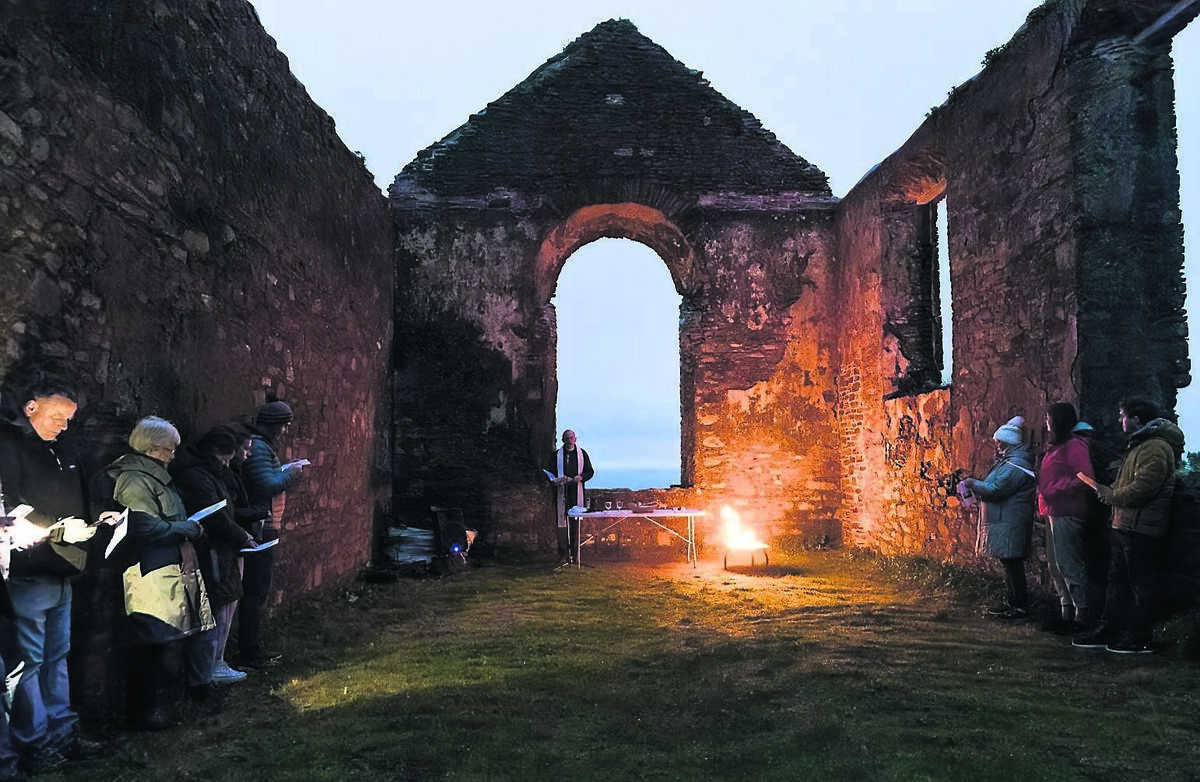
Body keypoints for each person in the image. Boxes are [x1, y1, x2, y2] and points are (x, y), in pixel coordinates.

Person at [0, 376, 107, 773]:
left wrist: (97, 515)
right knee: (27, 663)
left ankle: (62, 733)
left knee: (56, 657)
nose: (63, 425)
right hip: (29, 570)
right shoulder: (10, 446)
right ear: (31, 407)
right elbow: (11, 507)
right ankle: (35, 741)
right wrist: (60, 528)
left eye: (69, 419)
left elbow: (80, 491)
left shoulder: (62, 447)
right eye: (58, 416)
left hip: (63, 568)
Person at [106, 416, 213, 729]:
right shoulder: (134, 480)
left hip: (169, 567)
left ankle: (165, 710)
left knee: (171, 639)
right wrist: (188, 528)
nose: (174, 455)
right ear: (153, 449)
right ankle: (150, 714)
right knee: (157, 642)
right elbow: (144, 526)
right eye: (170, 449)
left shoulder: (155, 477)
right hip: (150, 571)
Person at [1073, 397, 1184, 654]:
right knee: (1117, 582)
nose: (1119, 420)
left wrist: (1108, 495)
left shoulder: (1155, 447)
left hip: (1142, 529)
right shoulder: (1140, 446)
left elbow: (1142, 489)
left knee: (1140, 585)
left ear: (1137, 418)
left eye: (1123, 415)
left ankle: (1139, 636)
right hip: (1125, 525)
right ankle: (1110, 628)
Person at [169, 428, 256, 687]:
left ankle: (212, 667)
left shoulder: (210, 474)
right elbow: (214, 516)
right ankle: (206, 673)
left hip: (221, 549)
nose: (228, 465)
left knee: (225, 604)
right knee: (216, 607)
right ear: (214, 455)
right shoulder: (196, 477)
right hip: (213, 550)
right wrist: (241, 535)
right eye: (225, 459)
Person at [238, 400, 304, 669]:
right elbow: (267, 485)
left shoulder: (260, 446)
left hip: (260, 526)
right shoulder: (261, 448)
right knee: (256, 591)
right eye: (285, 425)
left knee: (255, 591)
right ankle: (249, 652)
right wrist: (292, 474)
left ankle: (250, 648)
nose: (286, 431)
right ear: (279, 425)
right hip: (259, 528)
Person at [961, 416, 1037, 620]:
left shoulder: (1015, 465)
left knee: (1013, 564)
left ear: (1007, 442)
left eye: (999, 442)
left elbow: (997, 489)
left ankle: (1019, 604)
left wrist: (972, 484)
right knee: (1009, 563)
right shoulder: (1008, 462)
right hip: (1006, 519)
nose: (996, 445)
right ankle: (1013, 601)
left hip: (1011, 521)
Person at [1037, 403, 1098, 630]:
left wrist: (1054, 489)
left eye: (1048, 418)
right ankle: (1066, 611)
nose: (1046, 423)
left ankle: (1081, 613)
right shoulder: (1058, 446)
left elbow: (1085, 478)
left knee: (1068, 562)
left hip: (1068, 509)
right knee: (1056, 563)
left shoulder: (1074, 445)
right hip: (1053, 509)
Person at [548, 429, 593, 566]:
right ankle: (563, 555)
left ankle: (575, 555)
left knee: (575, 525)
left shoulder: (582, 454)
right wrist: (557, 480)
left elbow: (589, 471)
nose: (569, 440)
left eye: (571, 437)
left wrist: (581, 477)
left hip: (576, 493)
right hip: (562, 493)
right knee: (562, 525)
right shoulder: (556, 455)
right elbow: (550, 472)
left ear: (575, 439)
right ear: (563, 440)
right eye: (567, 438)